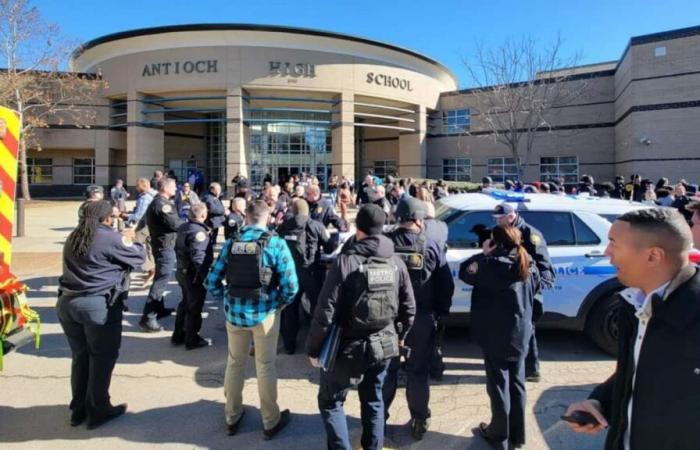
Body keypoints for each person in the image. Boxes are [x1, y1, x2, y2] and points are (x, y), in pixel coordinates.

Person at [565, 208, 700, 450]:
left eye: (614, 244)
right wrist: (600, 401)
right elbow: (638, 369)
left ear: (653, 256)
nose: (607, 253)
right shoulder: (632, 302)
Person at [306, 204, 416, 450]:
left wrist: (313, 349)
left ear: (358, 228)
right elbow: (409, 308)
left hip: (347, 347)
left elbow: (325, 311)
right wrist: (400, 337)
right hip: (384, 344)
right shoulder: (396, 261)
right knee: (374, 400)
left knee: (331, 401)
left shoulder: (346, 262)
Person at [206, 200, 299, 438]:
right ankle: (270, 421)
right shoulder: (275, 244)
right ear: (267, 218)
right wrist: (278, 303)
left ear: (246, 217)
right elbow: (291, 286)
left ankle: (232, 416)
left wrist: (226, 298)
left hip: (235, 313)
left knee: (234, 362)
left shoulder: (231, 243)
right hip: (265, 313)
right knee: (265, 366)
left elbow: (212, 281)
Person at [57, 201, 145, 429]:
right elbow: (138, 257)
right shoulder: (109, 237)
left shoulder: (74, 237)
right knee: (102, 358)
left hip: (68, 303)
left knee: (81, 357)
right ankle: (99, 409)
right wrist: (131, 238)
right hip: (97, 305)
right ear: (107, 218)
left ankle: (78, 410)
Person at [459, 225, 540, 450]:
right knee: (517, 383)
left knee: (498, 385)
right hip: (521, 330)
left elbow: (465, 272)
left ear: (496, 242)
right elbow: (536, 289)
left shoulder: (489, 265)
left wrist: (483, 253)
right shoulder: (528, 263)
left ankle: (499, 435)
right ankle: (517, 435)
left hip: (495, 333)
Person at [383, 198, 454, 440]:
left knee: (386, 370)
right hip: (420, 319)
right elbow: (446, 285)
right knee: (418, 371)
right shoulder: (431, 246)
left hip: (387, 319)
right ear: (418, 220)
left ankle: (377, 418)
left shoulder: (384, 245)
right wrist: (441, 312)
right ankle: (420, 419)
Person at [492, 202, 555, 382]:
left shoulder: (530, 234)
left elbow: (543, 264)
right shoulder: (500, 231)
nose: (497, 222)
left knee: (527, 328)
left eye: (500, 218)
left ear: (511, 216)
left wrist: (535, 287)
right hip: (508, 289)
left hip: (526, 289)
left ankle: (532, 369)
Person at [277, 198, 335, 354]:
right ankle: (318, 345)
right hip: (311, 272)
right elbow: (330, 248)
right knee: (318, 308)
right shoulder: (316, 226)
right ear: (307, 211)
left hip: (289, 274)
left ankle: (289, 346)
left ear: (293, 211)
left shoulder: (284, 226)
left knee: (290, 310)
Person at [140, 177, 183, 332]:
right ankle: (148, 317)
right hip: (164, 247)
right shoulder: (162, 204)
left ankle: (159, 308)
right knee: (161, 281)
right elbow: (176, 224)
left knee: (161, 278)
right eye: (173, 187)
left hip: (163, 245)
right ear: (165, 188)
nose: (176, 189)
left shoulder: (160, 202)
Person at [171, 203, 213, 350]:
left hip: (182, 271)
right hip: (193, 274)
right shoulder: (199, 232)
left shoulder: (183, 228)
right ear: (203, 215)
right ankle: (192, 339)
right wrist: (206, 277)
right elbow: (198, 257)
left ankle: (178, 335)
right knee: (194, 308)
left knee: (185, 303)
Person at [201, 182, 226, 259]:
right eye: (217, 189)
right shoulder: (208, 197)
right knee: (210, 242)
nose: (219, 190)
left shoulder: (215, 197)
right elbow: (212, 209)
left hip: (215, 223)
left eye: (219, 189)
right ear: (212, 189)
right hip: (210, 223)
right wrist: (223, 211)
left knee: (214, 240)